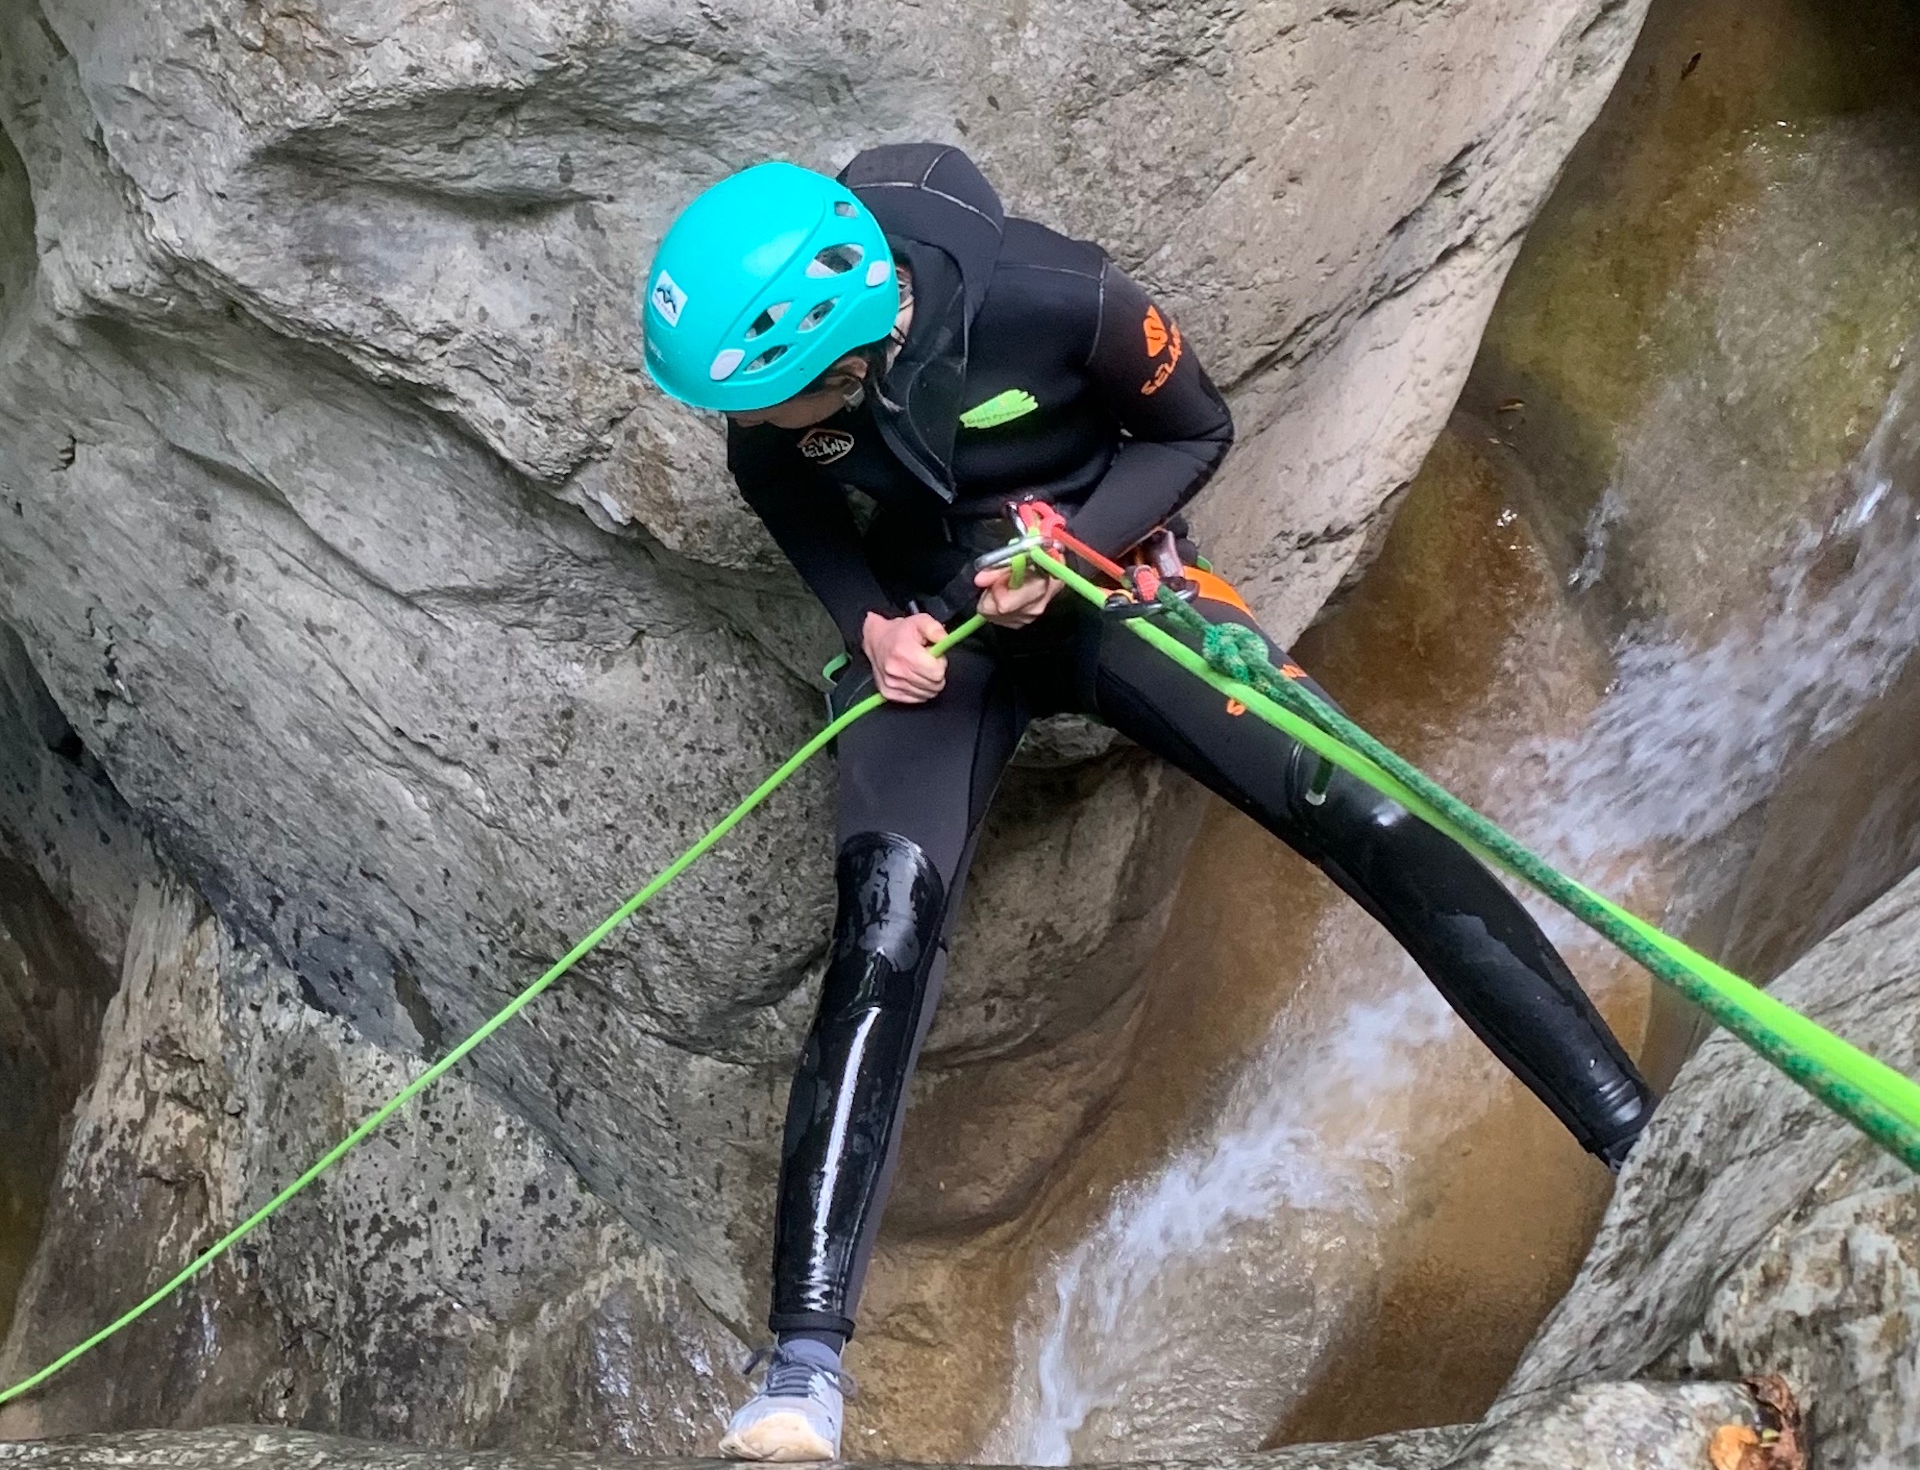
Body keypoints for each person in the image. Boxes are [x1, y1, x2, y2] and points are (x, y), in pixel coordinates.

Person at [642, 145, 1653, 1462]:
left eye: (771, 402)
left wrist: (1066, 547)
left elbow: (1195, 428)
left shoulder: (1056, 299)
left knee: (1364, 811)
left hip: (1113, 588)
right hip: (945, 646)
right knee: (881, 929)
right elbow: (776, 479)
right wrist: (872, 621)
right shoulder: (780, 389)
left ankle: (1636, 1140)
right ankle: (802, 1372)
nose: (754, 424)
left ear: (842, 350)